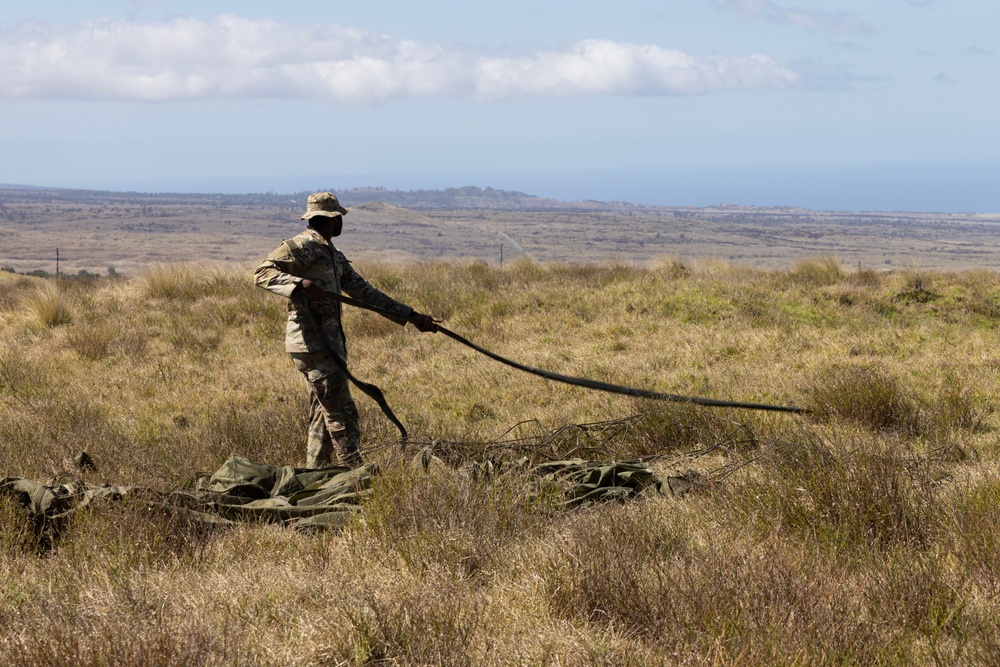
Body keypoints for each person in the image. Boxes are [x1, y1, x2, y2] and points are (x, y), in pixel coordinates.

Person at [254, 192, 439, 468]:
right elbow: (262, 273)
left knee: (322, 410)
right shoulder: (301, 245)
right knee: (342, 412)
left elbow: (367, 293)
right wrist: (299, 285)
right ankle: (353, 476)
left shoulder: (333, 255)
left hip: (324, 346)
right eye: (339, 216)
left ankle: (315, 473)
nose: (341, 221)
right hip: (313, 346)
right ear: (330, 219)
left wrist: (412, 316)